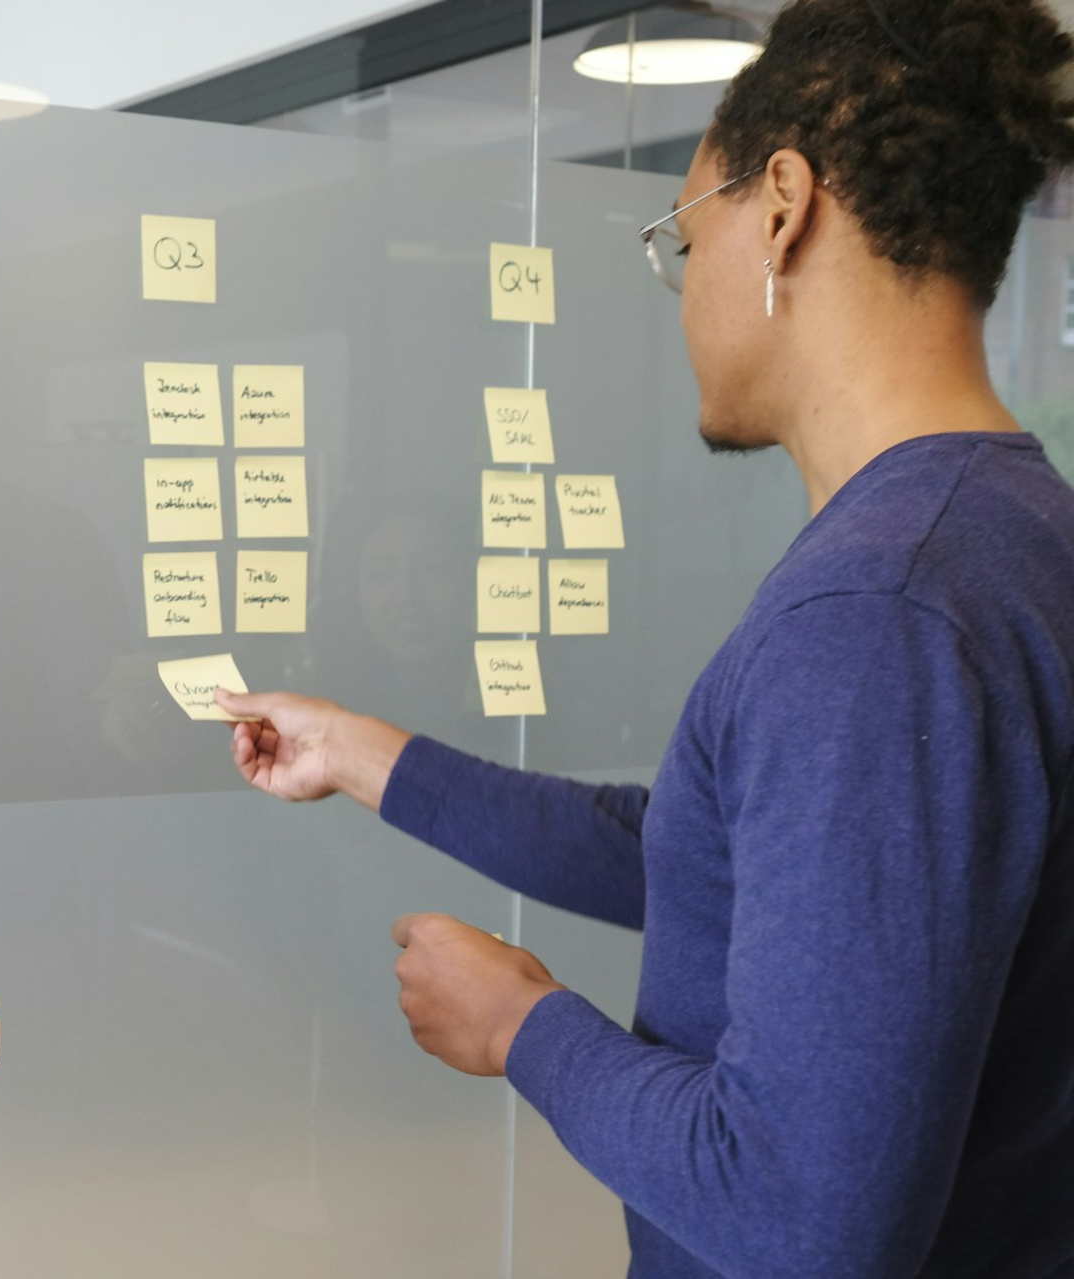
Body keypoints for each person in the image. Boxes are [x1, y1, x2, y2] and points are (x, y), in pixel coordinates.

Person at [216, 0, 1074, 1275]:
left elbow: (802, 1215)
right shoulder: (1008, 531)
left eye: (684, 234)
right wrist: (357, 752)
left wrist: (523, 1027)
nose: (680, 293)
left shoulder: (880, 615)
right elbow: (709, 853)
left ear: (782, 206)